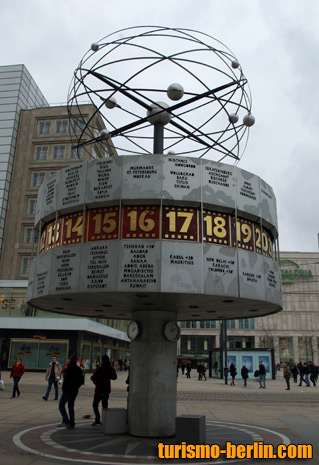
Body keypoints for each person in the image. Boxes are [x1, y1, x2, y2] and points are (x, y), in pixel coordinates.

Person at [90, 354, 117, 426]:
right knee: (105, 405)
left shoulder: (100, 369)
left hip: (99, 389)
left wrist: (96, 381)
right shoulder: (110, 368)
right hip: (106, 389)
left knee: (95, 404)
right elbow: (114, 377)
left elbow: (93, 377)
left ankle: (97, 419)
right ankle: (105, 419)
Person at [58, 354, 84, 429]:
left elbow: (66, 379)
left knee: (61, 405)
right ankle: (72, 422)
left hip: (67, 390)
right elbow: (81, 381)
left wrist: (64, 388)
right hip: (74, 391)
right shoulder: (78, 369)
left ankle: (66, 421)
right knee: (71, 406)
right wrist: (76, 387)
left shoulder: (68, 368)